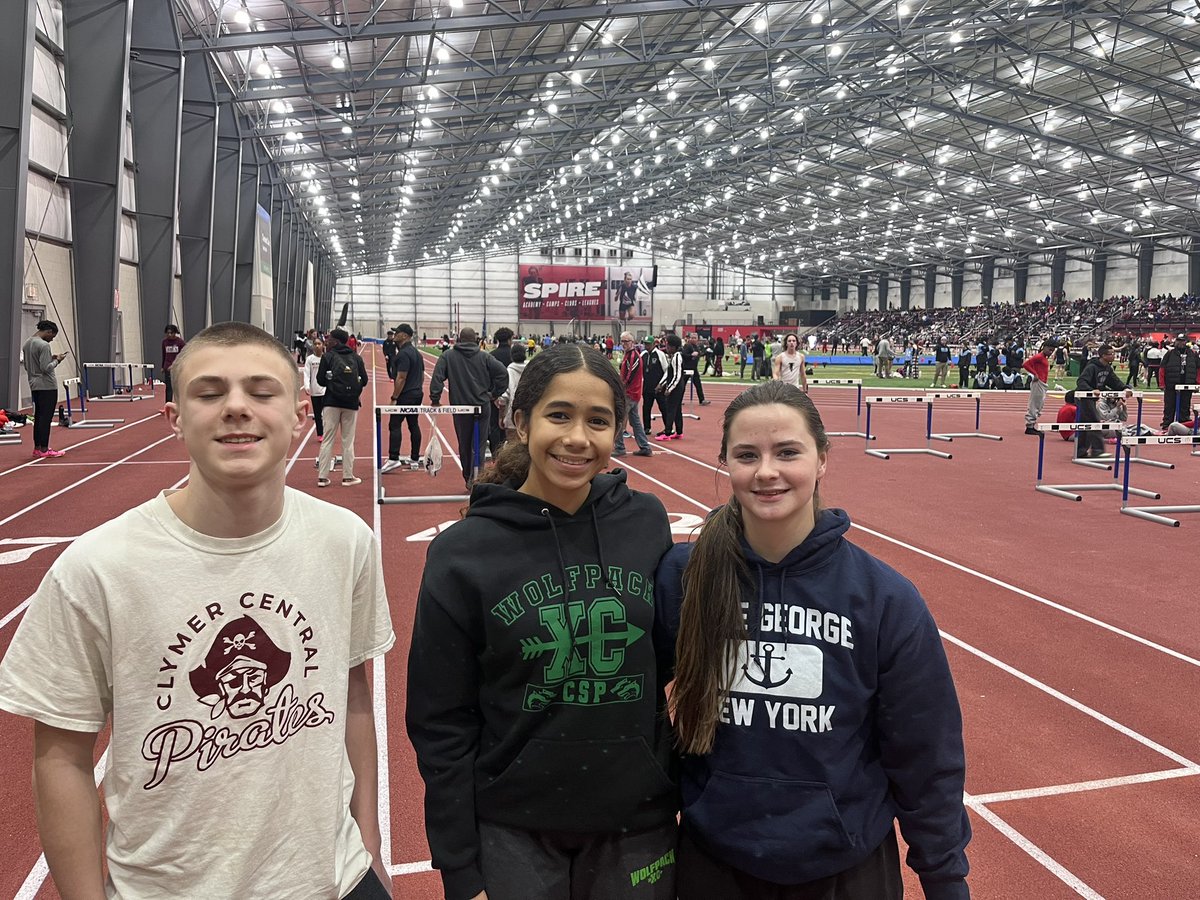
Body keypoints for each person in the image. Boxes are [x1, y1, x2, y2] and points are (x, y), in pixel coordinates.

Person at [0, 321, 395, 899]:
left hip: (335, 880)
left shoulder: (346, 541)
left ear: (300, 414)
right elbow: (61, 755)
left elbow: (352, 695)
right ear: (175, 418)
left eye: (262, 392)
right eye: (210, 393)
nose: (237, 407)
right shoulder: (96, 568)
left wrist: (371, 849)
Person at [655, 380, 970, 900]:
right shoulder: (685, 578)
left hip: (846, 869)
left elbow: (924, 750)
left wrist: (945, 877)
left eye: (787, 452)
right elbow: (634, 707)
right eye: (746, 455)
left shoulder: (883, 599)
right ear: (725, 462)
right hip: (714, 863)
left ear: (822, 459)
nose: (766, 472)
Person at [406, 343, 678, 900]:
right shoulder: (464, 553)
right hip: (513, 829)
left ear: (616, 431)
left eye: (597, 421)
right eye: (559, 415)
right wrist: (459, 866)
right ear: (520, 421)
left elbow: (665, 659)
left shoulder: (646, 523)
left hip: (637, 824)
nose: (578, 438)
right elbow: (440, 721)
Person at [429, 326, 509, 490]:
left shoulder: (448, 356)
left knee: (464, 444)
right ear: (476, 340)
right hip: (481, 405)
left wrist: (435, 398)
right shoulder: (484, 357)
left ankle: (468, 477)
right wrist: (493, 393)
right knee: (479, 444)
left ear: (459, 339)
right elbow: (503, 373)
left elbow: (437, 377)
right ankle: (477, 478)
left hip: (461, 407)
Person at [316, 327, 368, 487]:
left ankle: (323, 477)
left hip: (331, 402)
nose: (327, 340)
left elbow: (320, 380)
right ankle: (347, 476)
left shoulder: (328, 356)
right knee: (348, 440)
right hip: (351, 403)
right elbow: (364, 380)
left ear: (336, 341)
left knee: (328, 439)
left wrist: (331, 380)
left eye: (330, 338)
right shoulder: (356, 358)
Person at [21, 319, 69, 459]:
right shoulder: (43, 345)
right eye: (52, 336)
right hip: (46, 385)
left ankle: (37, 448)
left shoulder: (27, 343)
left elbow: (30, 364)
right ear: (48, 332)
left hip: (34, 384)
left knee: (39, 417)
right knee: (45, 418)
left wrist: (50, 358)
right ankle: (44, 448)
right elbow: (46, 368)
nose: (52, 340)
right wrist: (57, 360)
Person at [381, 323, 425, 473]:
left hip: (406, 395)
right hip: (417, 393)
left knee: (394, 424)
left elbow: (401, 378)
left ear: (405, 336)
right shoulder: (416, 353)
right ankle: (414, 457)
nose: (395, 335)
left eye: (398, 332)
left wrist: (394, 397)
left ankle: (394, 458)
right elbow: (421, 374)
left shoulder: (404, 354)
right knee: (413, 424)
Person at [1075, 344, 1129, 459]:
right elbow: (1081, 381)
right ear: (1103, 355)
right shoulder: (1092, 367)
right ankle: (1097, 450)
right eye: (1111, 354)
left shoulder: (1107, 368)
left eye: (1114, 353)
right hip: (1084, 397)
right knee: (1094, 421)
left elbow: (1114, 381)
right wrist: (1091, 390)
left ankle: (1081, 452)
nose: (1114, 356)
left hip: (1093, 398)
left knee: (1086, 425)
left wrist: (1125, 388)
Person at [613, 331, 654, 458]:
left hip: (630, 394)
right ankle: (645, 447)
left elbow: (629, 377)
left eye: (626, 341)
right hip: (631, 393)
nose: (624, 344)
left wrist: (620, 388)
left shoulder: (633, 356)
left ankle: (620, 448)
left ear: (632, 342)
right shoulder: (628, 355)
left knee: (619, 419)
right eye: (622, 341)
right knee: (635, 421)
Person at [1159, 334, 1199, 429]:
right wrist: (1162, 384)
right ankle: (1167, 424)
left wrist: (1197, 383)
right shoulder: (1170, 353)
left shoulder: (1192, 354)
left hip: (1188, 383)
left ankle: (1184, 424)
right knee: (1169, 406)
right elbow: (1162, 368)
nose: (1180, 342)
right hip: (1171, 384)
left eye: (1182, 340)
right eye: (1178, 340)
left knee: (1185, 406)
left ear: (1186, 342)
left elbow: (1198, 369)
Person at [655, 333, 686, 441]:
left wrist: (669, 388)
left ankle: (667, 433)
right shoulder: (673, 357)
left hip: (677, 386)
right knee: (677, 409)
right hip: (676, 385)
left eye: (668, 346)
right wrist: (661, 384)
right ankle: (679, 431)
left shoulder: (677, 356)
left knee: (671, 409)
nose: (666, 348)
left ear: (673, 347)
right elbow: (668, 373)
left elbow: (677, 375)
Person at [499, 341, 528, 443]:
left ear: (512, 356)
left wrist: (501, 417)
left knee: (512, 449)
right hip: (529, 416)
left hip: (512, 416)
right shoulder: (531, 369)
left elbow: (503, 398)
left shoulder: (509, 371)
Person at [1022, 342, 1052, 435]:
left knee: (1039, 404)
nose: (1051, 352)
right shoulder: (1039, 356)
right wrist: (1035, 374)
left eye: (1052, 350)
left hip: (1042, 383)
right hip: (1039, 382)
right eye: (1050, 350)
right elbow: (1026, 364)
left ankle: (1032, 424)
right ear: (1045, 347)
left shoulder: (1043, 358)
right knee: (1035, 403)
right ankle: (1030, 426)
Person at [642, 337, 669, 436]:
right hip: (647, 387)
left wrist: (661, 384)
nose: (646, 346)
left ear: (654, 344)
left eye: (648, 344)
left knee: (663, 408)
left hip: (659, 388)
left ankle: (668, 427)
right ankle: (647, 428)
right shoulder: (643, 354)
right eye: (645, 344)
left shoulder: (660, 354)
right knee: (646, 408)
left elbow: (667, 371)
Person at [304, 336, 328, 443]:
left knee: (327, 414)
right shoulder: (310, 359)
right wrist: (307, 386)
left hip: (326, 391)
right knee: (318, 415)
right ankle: (320, 434)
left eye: (319, 344)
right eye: (315, 344)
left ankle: (327, 432)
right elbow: (306, 374)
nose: (317, 346)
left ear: (323, 345)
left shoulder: (327, 358)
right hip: (315, 391)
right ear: (313, 346)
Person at [681, 333, 710, 405]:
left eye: (695, 338)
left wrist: (705, 352)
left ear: (697, 339)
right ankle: (678, 400)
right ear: (689, 338)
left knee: (698, 384)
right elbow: (683, 355)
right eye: (692, 338)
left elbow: (699, 354)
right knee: (682, 385)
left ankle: (702, 400)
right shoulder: (687, 346)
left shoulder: (696, 346)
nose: (693, 339)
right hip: (687, 369)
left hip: (694, 368)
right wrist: (691, 355)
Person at [161, 325, 186, 403]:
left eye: (171, 333)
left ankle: (180, 403)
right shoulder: (164, 342)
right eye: (167, 333)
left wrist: (174, 365)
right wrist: (162, 366)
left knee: (177, 387)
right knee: (168, 387)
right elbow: (164, 355)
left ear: (175, 333)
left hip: (177, 367)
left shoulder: (180, 342)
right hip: (167, 368)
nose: (169, 335)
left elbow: (183, 355)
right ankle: (168, 404)